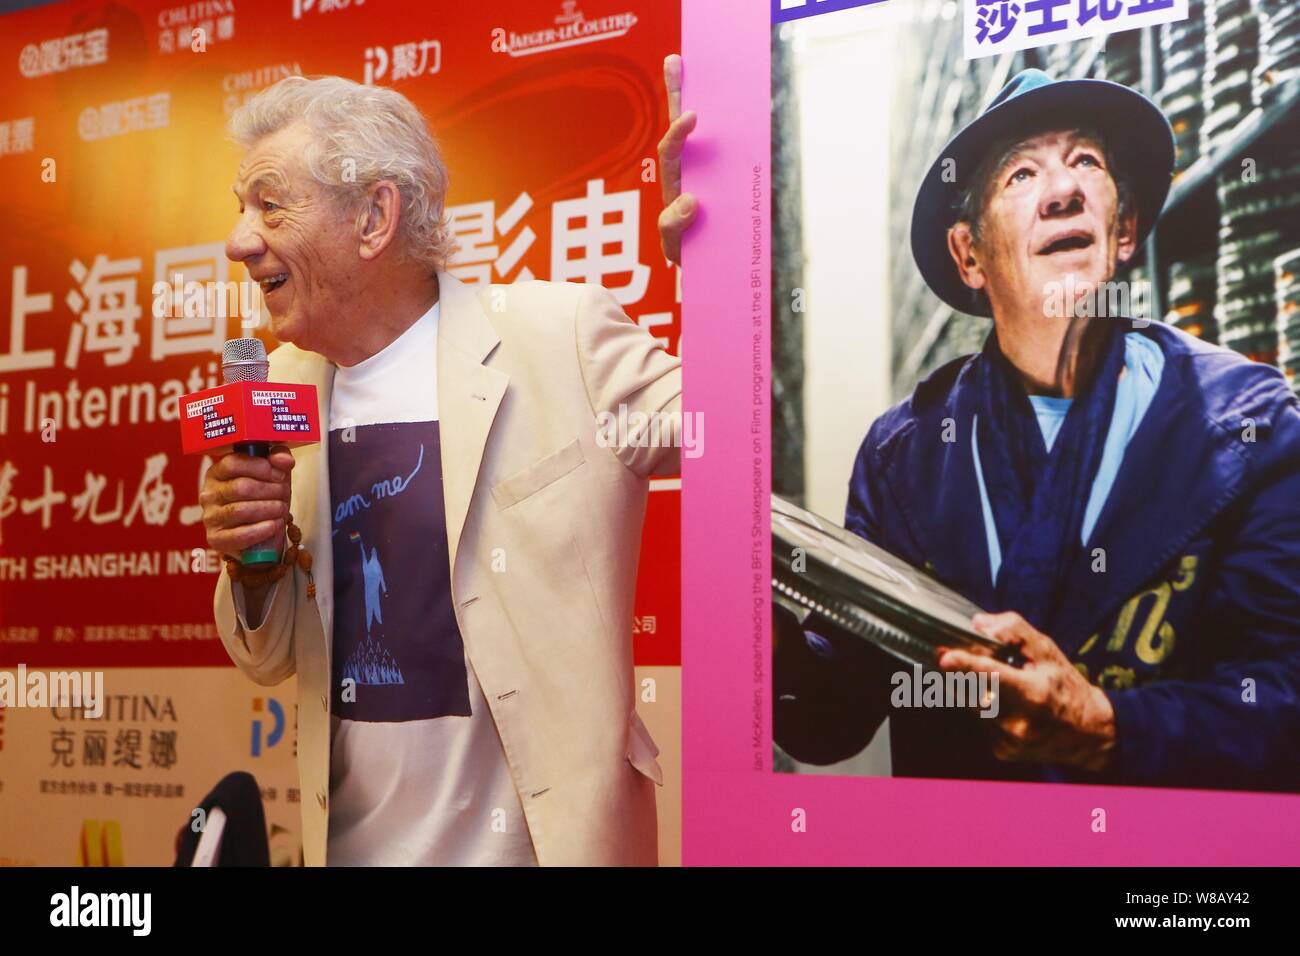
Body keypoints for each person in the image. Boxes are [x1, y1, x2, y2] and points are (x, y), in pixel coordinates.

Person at [662, 67, 1300, 791]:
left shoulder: (1248, 422)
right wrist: (765, 641)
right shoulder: (906, 459)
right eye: (1021, 174)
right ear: (970, 255)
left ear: (1123, 230)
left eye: (1086, 162)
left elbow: (1284, 697)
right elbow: (832, 716)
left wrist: (1107, 727)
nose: (1063, 190)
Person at [203, 74, 681, 866]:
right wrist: (248, 559)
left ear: (374, 216)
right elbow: (269, 656)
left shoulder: (558, 337)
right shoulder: (280, 388)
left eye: (270, 202)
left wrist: (725, 262)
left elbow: (740, 438)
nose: (239, 239)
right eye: (240, 207)